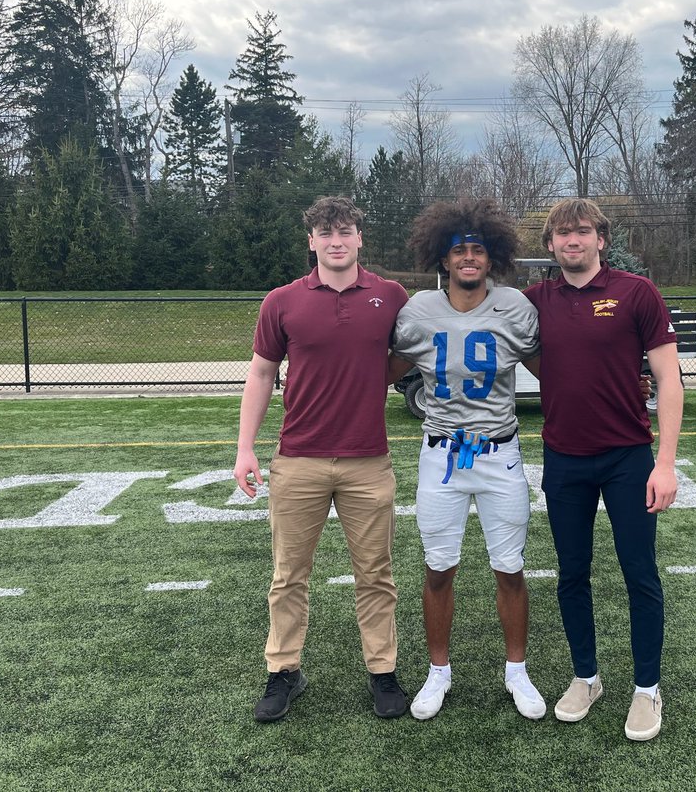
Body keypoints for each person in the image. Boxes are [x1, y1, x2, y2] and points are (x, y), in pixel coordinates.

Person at [233, 196, 410, 723]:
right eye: (325, 232)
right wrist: (245, 448)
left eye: (346, 231)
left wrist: (373, 378)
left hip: (367, 461)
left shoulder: (391, 296)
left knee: (375, 573)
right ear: (311, 241)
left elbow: (411, 354)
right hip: (299, 459)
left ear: (360, 238)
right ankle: (283, 670)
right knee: (289, 575)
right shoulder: (282, 301)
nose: (337, 240)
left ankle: (383, 672)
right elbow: (262, 373)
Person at [523, 198, 683, 742]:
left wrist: (665, 463)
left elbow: (669, 380)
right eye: (562, 234)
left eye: (582, 231)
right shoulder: (534, 300)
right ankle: (586, 678)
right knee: (572, 574)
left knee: (640, 572)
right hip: (564, 458)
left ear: (601, 239)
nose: (573, 241)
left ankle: (646, 689)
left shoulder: (636, 292)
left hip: (628, 458)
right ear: (549, 244)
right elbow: (495, 328)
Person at [388, 198, 546, 721]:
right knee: (438, 569)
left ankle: (516, 671)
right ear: (443, 258)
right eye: (460, 251)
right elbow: (382, 370)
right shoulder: (417, 311)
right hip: (442, 455)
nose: (469, 258)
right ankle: (439, 673)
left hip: (500, 453)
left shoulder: (516, 307)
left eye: (478, 249)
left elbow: (557, 371)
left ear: (492, 256)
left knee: (511, 569)